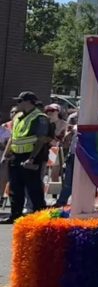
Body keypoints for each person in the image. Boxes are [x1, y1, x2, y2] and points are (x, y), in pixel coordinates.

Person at [1, 92, 52, 223]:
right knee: (15, 188)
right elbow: (13, 137)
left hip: (30, 157)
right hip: (16, 157)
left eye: (20, 101)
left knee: (33, 188)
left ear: (28, 102)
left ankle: (40, 216)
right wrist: (6, 155)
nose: (17, 104)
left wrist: (32, 158)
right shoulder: (17, 117)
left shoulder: (40, 118)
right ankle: (15, 215)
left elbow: (41, 140)